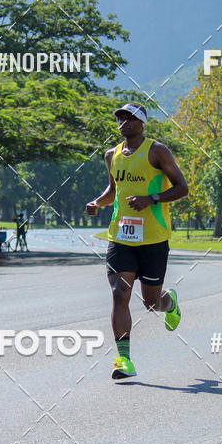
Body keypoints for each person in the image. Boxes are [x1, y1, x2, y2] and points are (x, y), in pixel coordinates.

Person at [86, 102, 189, 380]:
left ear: (142, 122)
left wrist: (151, 199)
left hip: (153, 237)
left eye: (130, 117)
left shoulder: (157, 150)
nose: (124, 121)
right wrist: (98, 201)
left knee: (152, 303)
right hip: (120, 236)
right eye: (120, 117)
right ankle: (123, 361)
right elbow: (113, 189)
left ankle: (171, 304)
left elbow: (182, 188)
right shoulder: (112, 155)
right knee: (120, 293)